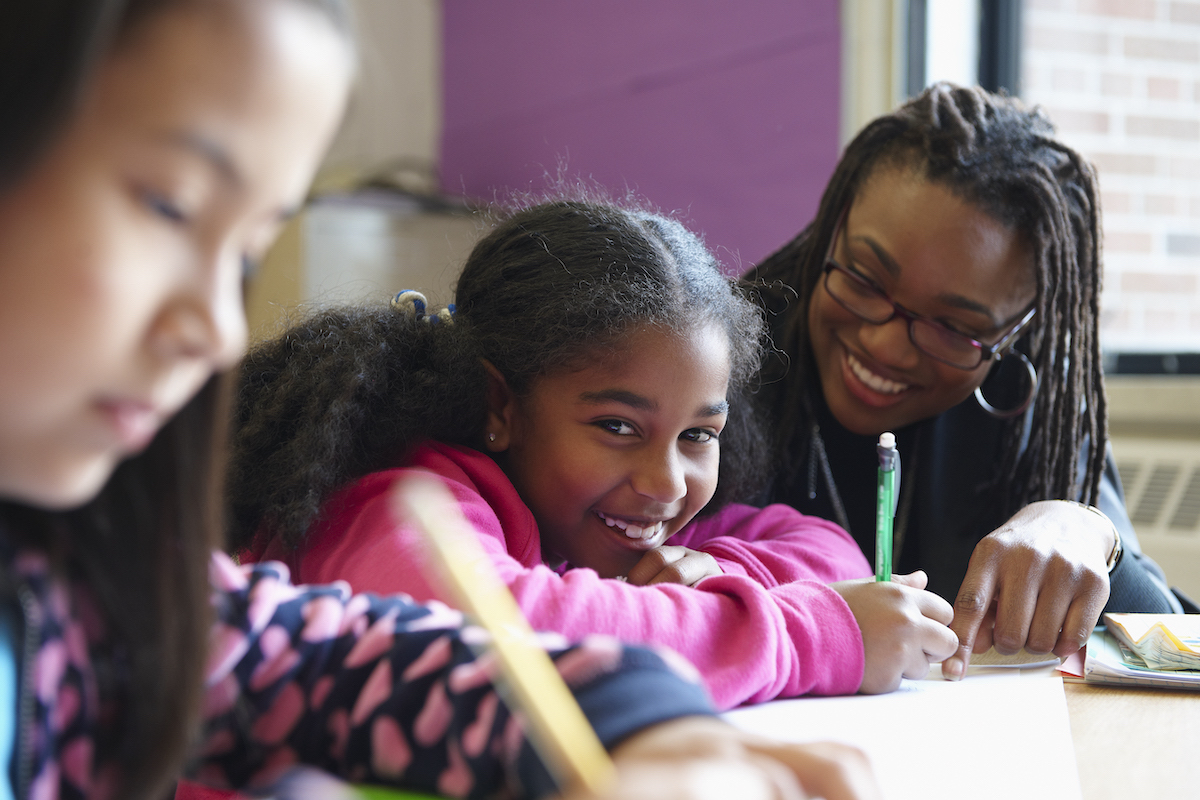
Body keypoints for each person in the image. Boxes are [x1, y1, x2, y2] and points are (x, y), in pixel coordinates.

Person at [0, 2, 883, 799]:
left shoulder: (81, 599)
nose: (217, 331)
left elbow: (311, 660)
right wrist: (809, 632)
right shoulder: (399, 499)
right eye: (168, 205)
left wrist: (645, 718)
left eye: (244, 255)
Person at [227, 198, 959, 711]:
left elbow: (828, 552)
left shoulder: (609, 517)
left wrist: (713, 575)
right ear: (500, 406)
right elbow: (503, 637)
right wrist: (815, 635)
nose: (666, 482)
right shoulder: (395, 498)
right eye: (617, 426)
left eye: (699, 434)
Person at [746, 82, 1181, 682]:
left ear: (1018, 330)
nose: (884, 344)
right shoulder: (723, 366)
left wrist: (1088, 529)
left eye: (954, 327)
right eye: (867, 279)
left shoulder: (1028, 403)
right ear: (833, 228)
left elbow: (1167, 638)